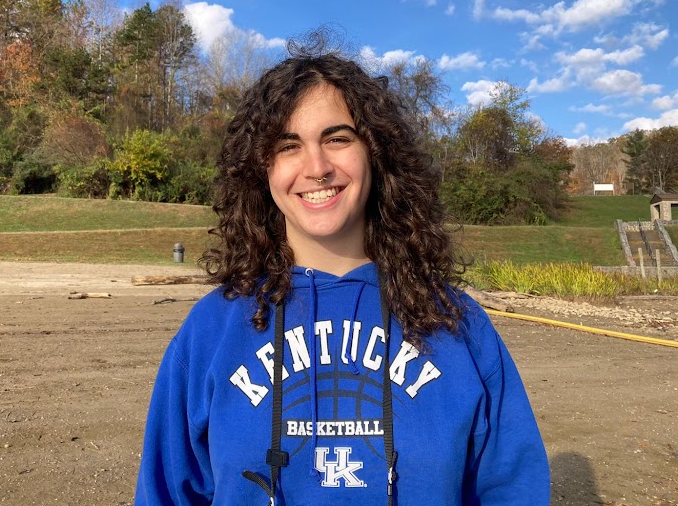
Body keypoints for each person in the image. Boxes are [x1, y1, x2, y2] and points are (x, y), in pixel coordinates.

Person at [135, 47, 550, 505]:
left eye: (337, 139)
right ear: (262, 169)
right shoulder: (212, 330)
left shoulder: (457, 323)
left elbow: (514, 489)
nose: (316, 167)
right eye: (288, 146)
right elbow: (166, 493)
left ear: (375, 153)